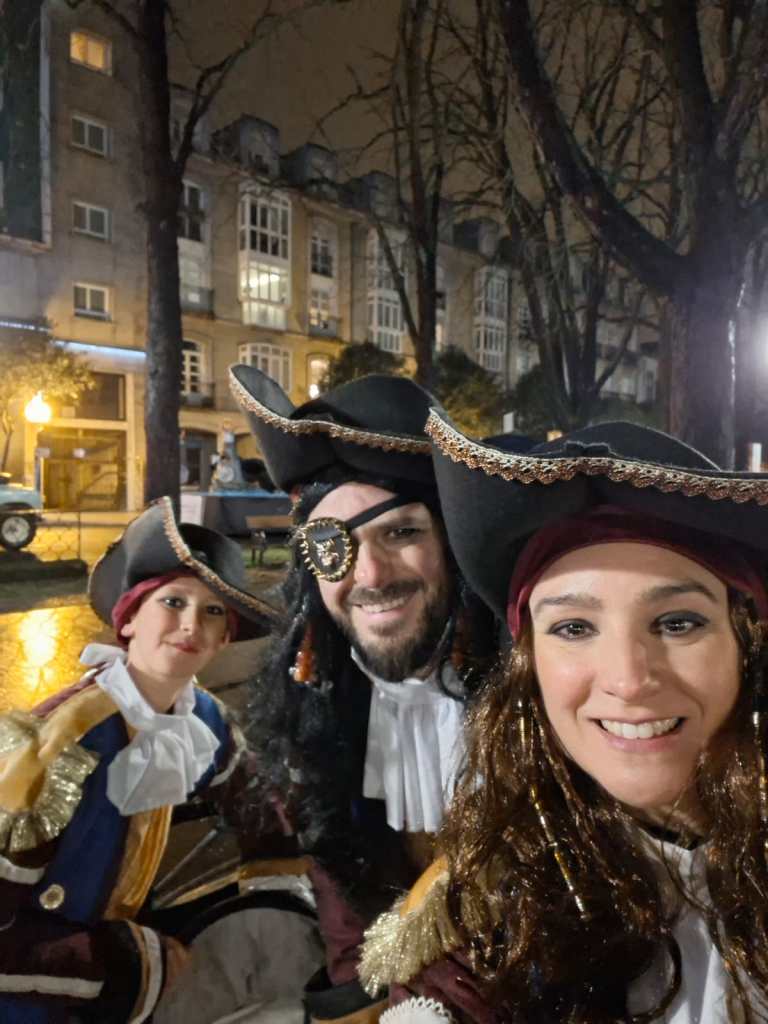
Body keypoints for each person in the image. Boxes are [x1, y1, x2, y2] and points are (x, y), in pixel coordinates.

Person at [360, 416, 768, 1023]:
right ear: (531, 668)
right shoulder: (476, 936)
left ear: (746, 645)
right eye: (574, 628)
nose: (628, 679)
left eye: (678, 622)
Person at [229, 365, 499, 1022]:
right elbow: (350, 940)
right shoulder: (318, 720)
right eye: (333, 545)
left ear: (452, 543)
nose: (370, 574)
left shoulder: (538, 701)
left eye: (401, 532)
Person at [0, 497, 279, 1024]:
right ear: (128, 620)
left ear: (224, 639)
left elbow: (261, 808)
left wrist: (280, 889)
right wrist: (127, 964)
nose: (191, 625)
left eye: (212, 612)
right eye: (173, 602)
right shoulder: (63, 741)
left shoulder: (204, 720)